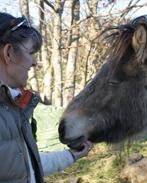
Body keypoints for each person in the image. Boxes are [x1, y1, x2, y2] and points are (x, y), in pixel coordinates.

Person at [0, 12, 92, 183]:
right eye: (31, 52)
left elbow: (25, 166)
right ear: (9, 53)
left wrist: (70, 156)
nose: (35, 62)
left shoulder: (11, 106)